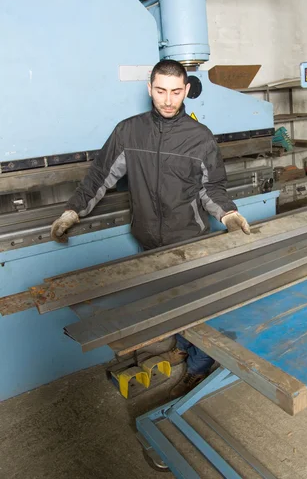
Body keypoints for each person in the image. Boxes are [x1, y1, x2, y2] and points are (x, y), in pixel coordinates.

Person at [51, 59, 250, 397]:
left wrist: (229, 214)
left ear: (186, 90)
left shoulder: (199, 138)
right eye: (161, 91)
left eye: (175, 92)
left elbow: (211, 187)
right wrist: (73, 211)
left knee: (196, 308)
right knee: (166, 303)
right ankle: (183, 345)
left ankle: (200, 366)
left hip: (188, 242)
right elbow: (100, 175)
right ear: (149, 89)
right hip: (147, 241)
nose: (168, 100)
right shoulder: (129, 131)